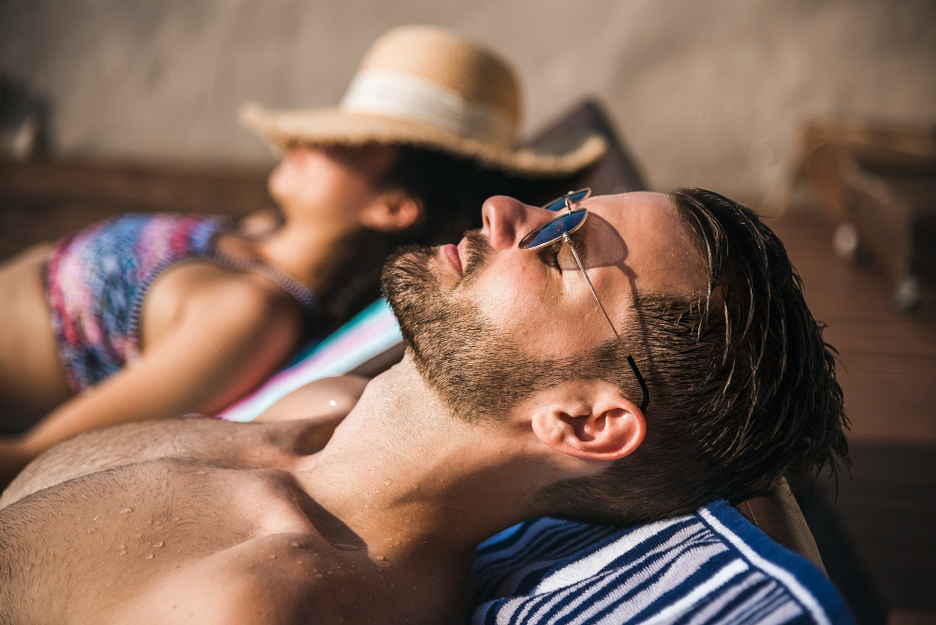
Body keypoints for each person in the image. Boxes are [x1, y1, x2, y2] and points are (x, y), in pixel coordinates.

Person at [0, 187, 852, 624]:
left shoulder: (267, 599)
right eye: (560, 208)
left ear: (584, 421)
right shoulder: (326, 407)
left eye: (561, 247)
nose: (503, 209)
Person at [0, 25, 605, 485]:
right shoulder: (254, 232)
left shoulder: (251, 316)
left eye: (351, 140)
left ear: (392, 207)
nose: (310, 140)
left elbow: (34, 458)